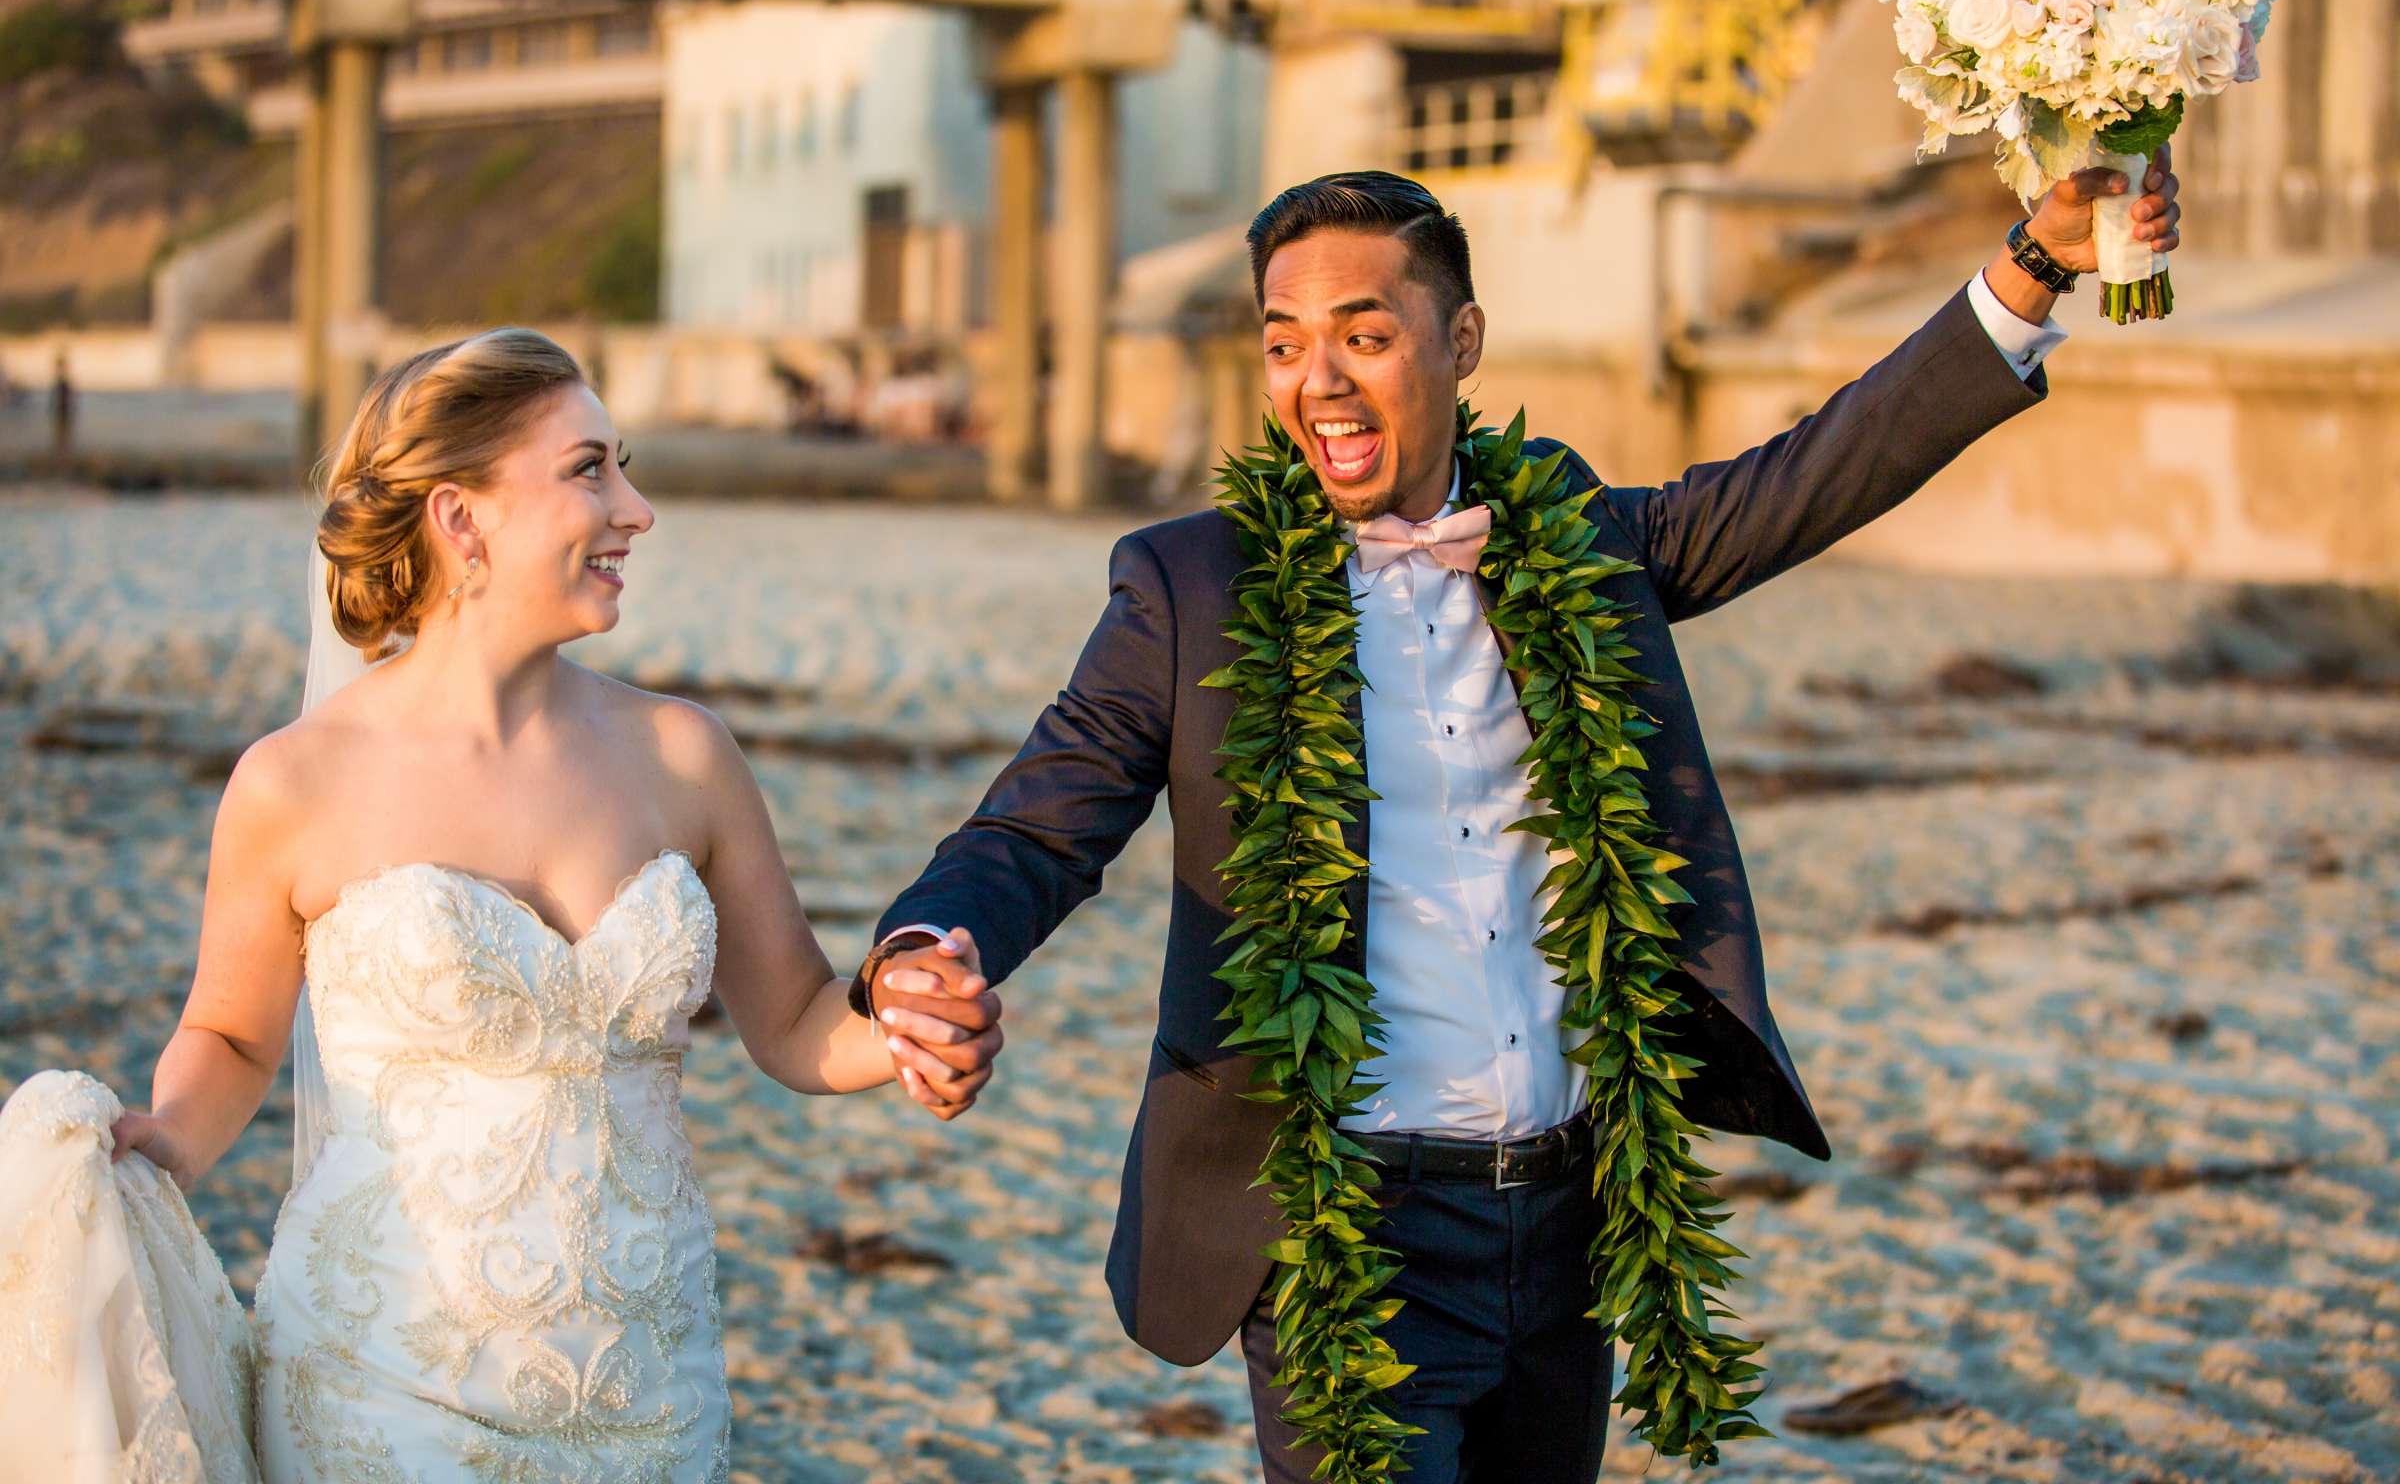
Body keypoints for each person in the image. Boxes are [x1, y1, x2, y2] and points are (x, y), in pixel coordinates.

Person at [860, 160, 2183, 1481]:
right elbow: (1040, 820)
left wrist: (2034, 270)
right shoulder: (1191, 585)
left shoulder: (1578, 537)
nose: (1318, 381)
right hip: (1342, 1234)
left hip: (1570, 1225)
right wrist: (932, 941)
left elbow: (1810, 478)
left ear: (1462, 341)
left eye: (1366, 337)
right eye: (1284, 343)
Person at [0, 328, 1004, 1481]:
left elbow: (794, 1020)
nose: (637, 509)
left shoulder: (685, 756)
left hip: (651, 1391)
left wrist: (911, 1029)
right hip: (385, 1387)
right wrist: (170, 1134)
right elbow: (230, 1034)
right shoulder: (294, 781)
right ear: (460, 519)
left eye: (622, 466)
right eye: (589, 469)